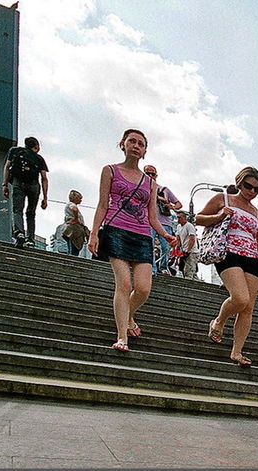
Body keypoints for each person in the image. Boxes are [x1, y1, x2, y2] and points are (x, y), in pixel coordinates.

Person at [88, 129, 176, 352]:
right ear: (123, 144)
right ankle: (121, 337)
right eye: (132, 141)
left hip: (142, 235)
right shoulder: (110, 171)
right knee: (124, 284)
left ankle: (129, 316)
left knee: (144, 288)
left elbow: (152, 216)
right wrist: (94, 233)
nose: (136, 146)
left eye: (141, 144)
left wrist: (165, 234)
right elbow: (102, 204)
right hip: (116, 230)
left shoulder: (150, 184)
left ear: (145, 151)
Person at [197, 167, 258, 367]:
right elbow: (199, 218)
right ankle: (219, 321)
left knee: (247, 308)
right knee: (240, 298)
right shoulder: (223, 199)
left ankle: (237, 352)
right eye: (248, 186)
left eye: (257, 189)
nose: (252, 192)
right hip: (228, 253)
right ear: (239, 183)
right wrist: (219, 216)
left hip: (254, 258)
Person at [2, 136, 49, 248]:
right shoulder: (39, 158)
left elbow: (7, 166)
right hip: (34, 185)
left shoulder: (14, 151)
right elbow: (44, 178)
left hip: (18, 182)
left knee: (17, 210)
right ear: (36, 146)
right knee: (31, 213)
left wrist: (5, 184)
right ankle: (31, 240)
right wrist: (45, 197)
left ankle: (19, 233)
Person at [144, 165, 182, 275]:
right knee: (149, 246)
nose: (150, 176)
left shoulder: (164, 189)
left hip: (165, 222)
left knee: (166, 248)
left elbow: (179, 204)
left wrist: (172, 206)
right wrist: (160, 198)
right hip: (149, 221)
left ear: (156, 175)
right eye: (148, 173)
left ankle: (163, 266)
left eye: (152, 174)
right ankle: (152, 269)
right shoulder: (142, 188)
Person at [62, 190, 88, 257]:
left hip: (74, 229)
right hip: (74, 229)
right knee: (73, 249)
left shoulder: (70, 205)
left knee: (73, 249)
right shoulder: (71, 204)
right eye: (79, 198)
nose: (81, 200)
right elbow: (74, 209)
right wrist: (76, 219)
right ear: (75, 198)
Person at [174, 210, 199, 279]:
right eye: (177, 218)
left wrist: (188, 250)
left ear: (184, 218)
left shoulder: (189, 226)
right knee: (182, 269)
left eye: (180, 218)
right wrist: (178, 249)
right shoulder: (178, 226)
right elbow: (178, 239)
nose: (178, 219)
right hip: (183, 250)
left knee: (189, 270)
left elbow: (192, 239)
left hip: (191, 251)